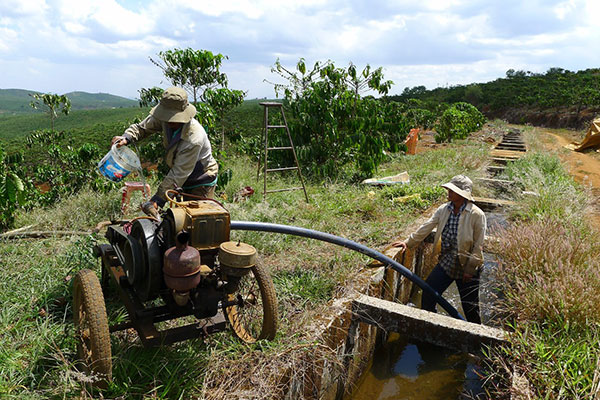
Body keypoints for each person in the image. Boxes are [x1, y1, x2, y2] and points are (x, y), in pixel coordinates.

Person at [392, 175, 486, 323]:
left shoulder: (476, 215)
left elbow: (478, 245)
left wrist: (470, 270)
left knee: (470, 308)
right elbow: (427, 227)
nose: (448, 192)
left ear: (462, 194)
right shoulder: (444, 210)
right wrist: (408, 242)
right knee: (429, 293)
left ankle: (477, 339)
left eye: (452, 190)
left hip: (467, 265)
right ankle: (431, 323)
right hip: (447, 262)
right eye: (449, 189)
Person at [111, 87, 218, 214]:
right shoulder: (164, 119)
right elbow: (142, 128)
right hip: (181, 179)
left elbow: (179, 173)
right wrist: (127, 138)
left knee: (197, 219)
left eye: (173, 118)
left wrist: (158, 199)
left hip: (200, 180)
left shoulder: (193, 138)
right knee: (179, 217)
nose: (169, 121)